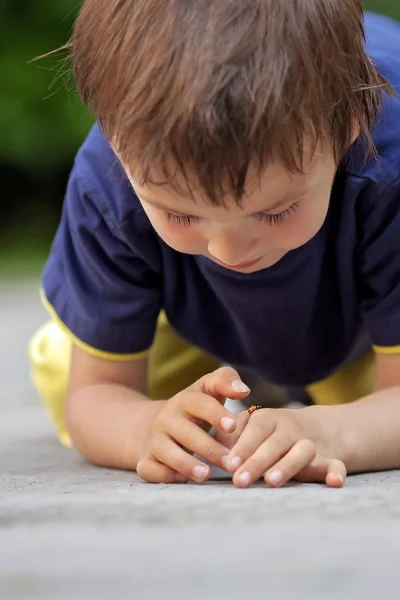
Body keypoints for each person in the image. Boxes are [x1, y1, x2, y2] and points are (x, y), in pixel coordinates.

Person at [29, 1, 400, 489]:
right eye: (180, 214)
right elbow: (95, 393)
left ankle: (301, 395)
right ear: (116, 143)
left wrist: (334, 432)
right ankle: (258, 392)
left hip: (360, 340)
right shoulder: (111, 181)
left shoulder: (387, 172)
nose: (228, 251)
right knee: (62, 366)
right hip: (204, 337)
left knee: (361, 406)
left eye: (275, 211)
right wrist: (146, 428)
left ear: (347, 127)